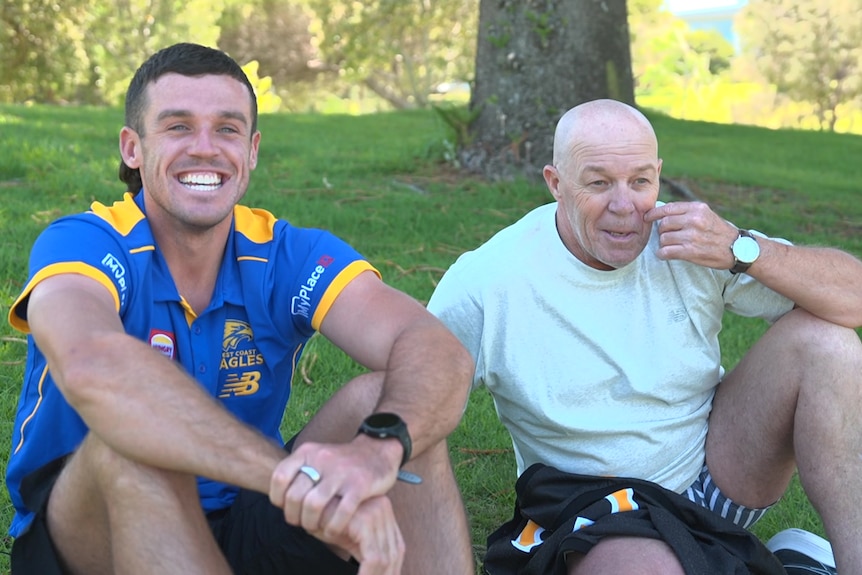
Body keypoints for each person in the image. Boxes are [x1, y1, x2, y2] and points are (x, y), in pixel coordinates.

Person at [5, 42, 476, 575]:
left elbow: (435, 348)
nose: (205, 148)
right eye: (178, 127)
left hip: (247, 514)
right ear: (133, 148)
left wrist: (377, 453)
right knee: (130, 448)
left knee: (390, 404)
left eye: (226, 129)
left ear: (251, 151)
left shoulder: (284, 253)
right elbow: (93, 365)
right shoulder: (84, 242)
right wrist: (297, 479)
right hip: (96, 531)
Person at [427, 99, 862, 575]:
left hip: (713, 484)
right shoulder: (489, 280)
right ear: (555, 183)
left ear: (658, 175)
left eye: (639, 181)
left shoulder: (693, 240)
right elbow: (414, 401)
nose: (624, 206)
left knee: (829, 343)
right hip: (596, 511)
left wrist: (742, 249)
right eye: (598, 183)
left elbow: (853, 299)